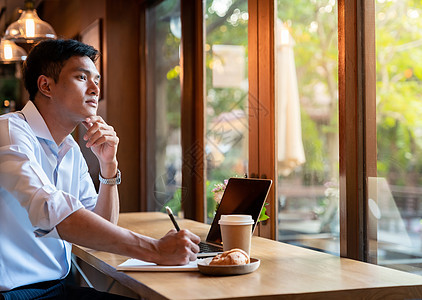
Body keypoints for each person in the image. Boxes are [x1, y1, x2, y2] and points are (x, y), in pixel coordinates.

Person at [0, 39, 200, 299]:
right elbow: (52, 210)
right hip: (15, 294)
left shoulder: (69, 148)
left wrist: (108, 165)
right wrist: (156, 249)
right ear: (46, 85)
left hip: (57, 288)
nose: (95, 88)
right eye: (82, 77)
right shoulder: (10, 131)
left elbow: (103, 226)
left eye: (97, 79)